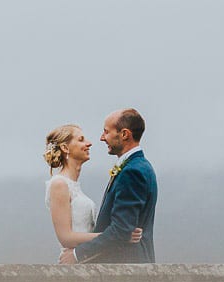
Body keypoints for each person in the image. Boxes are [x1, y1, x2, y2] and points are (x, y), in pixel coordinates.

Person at [59, 109, 156, 264]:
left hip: (126, 267)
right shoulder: (139, 166)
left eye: (106, 132)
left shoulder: (132, 171)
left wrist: (78, 255)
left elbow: (121, 230)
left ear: (124, 134)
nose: (102, 138)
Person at [43, 123, 141, 261]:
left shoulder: (75, 186)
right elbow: (66, 237)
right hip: (72, 262)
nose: (89, 143)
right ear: (65, 148)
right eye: (81, 139)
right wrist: (119, 236)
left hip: (88, 260)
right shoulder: (59, 184)